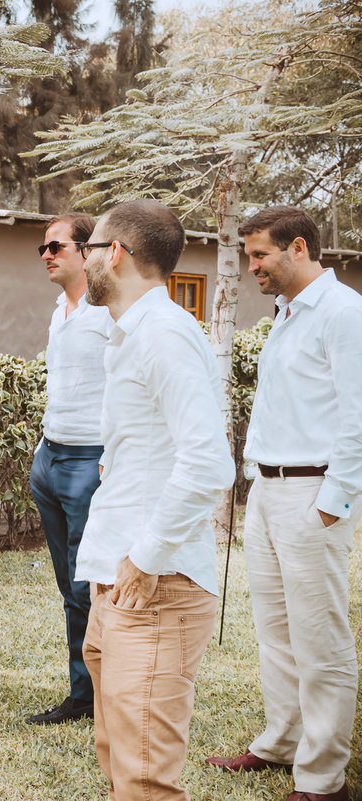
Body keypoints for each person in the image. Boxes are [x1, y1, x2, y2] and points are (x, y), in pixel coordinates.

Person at [75, 200, 234, 801]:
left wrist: (144, 557)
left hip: (156, 583)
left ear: (113, 254)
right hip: (120, 575)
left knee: (144, 778)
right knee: (119, 757)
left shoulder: (164, 336)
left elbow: (209, 462)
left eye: (90, 247)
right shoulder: (132, 335)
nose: (85, 258)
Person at [206, 206, 362, 801]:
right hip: (268, 493)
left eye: (260, 255)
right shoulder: (287, 314)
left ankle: (324, 781)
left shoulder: (344, 313)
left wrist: (333, 502)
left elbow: (357, 417)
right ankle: (282, 742)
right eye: (249, 256)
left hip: (312, 494)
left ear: (298, 247)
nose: (252, 267)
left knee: (320, 639)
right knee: (276, 633)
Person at [26, 211, 110, 726]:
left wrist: (110, 458)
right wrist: (42, 450)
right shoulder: (60, 310)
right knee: (67, 583)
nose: (47, 255)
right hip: (51, 458)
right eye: (43, 248)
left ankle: (104, 692)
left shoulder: (110, 313)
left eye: (56, 246)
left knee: (90, 583)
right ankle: (84, 693)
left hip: (90, 461)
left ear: (87, 251)